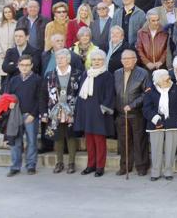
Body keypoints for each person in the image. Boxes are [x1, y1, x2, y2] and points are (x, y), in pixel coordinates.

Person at [73, 49, 115, 177]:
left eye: (99, 60)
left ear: (104, 61)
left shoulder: (107, 75)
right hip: (86, 111)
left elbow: (110, 94)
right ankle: (90, 165)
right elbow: (81, 92)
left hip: (99, 112)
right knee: (89, 141)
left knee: (99, 141)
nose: (97, 62)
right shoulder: (87, 74)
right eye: (94, 59)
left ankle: (100, 166)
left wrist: (103, 109)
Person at [40, 48, 81, 174]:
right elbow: (43, 95)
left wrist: (78, 112)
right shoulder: (49, 75)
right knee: (57, 136)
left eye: (63, 58)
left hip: (72, 110)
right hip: (54, 111)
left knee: (71, 136)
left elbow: (80, 94)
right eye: (58, 58)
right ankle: (59, 162)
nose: (60, 60)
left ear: (68, 59)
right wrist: (44, 113)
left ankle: (71, 163)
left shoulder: (77, 74)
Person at [143, 69, 177, 181]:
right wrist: (155, 118)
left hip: (172, 122)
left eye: (168, 78)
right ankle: (155, 172)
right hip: (155, 123)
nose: (169, 80)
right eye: (166, 79)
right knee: (156, 148)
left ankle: (168, 171)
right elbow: (146, 109)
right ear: (158, 81)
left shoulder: (176, 89)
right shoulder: (150, 90)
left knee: (171, 148)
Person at [114, 49, 151, 176]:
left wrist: (132, 105)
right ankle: (125, 166)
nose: (126, 61)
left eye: (129, 58)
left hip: (137, 113)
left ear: (135, 60)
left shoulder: (143, 73)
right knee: (124, 143)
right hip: (121, 114)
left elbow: (146, 93)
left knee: (139, 141)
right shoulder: (117, 73)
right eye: (124, 59)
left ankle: (142, 167)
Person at [4, 54, 42, 177]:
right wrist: (9, 104)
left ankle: (31, 165)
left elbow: (40, 99)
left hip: (30, 116)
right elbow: (7, 96)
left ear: (31, 66)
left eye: (27, 65)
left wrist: (33, 114)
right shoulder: (13, 80)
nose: (24, 67)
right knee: (16, 142)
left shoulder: (37, 79)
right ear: (18, 66)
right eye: (22, 65)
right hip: (16, 116)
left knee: (31, 141)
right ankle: (15, 166)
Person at [0, 5, 17, 91]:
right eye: (5, 12)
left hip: (12, 55)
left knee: (11, 76)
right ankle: (3, 97)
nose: (7, 14)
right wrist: (0, 52)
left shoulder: (16, 24)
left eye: (9, 12)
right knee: (3, 78)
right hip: (2, 55)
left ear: (13, 12)